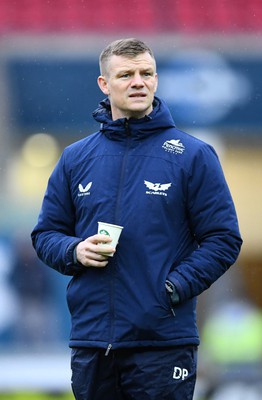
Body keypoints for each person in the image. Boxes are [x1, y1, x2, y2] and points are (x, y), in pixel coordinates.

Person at [31, 38, 242, 400]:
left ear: (156, 80)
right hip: (93, 341)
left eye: (146, 73)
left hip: (162, 342)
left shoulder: (193, 155)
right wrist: (75, 250)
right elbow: (46, 234)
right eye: (126, 74)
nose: (138, 82)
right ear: (104, 84)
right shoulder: (75, 157)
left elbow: (223, 239)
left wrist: (171, 288)